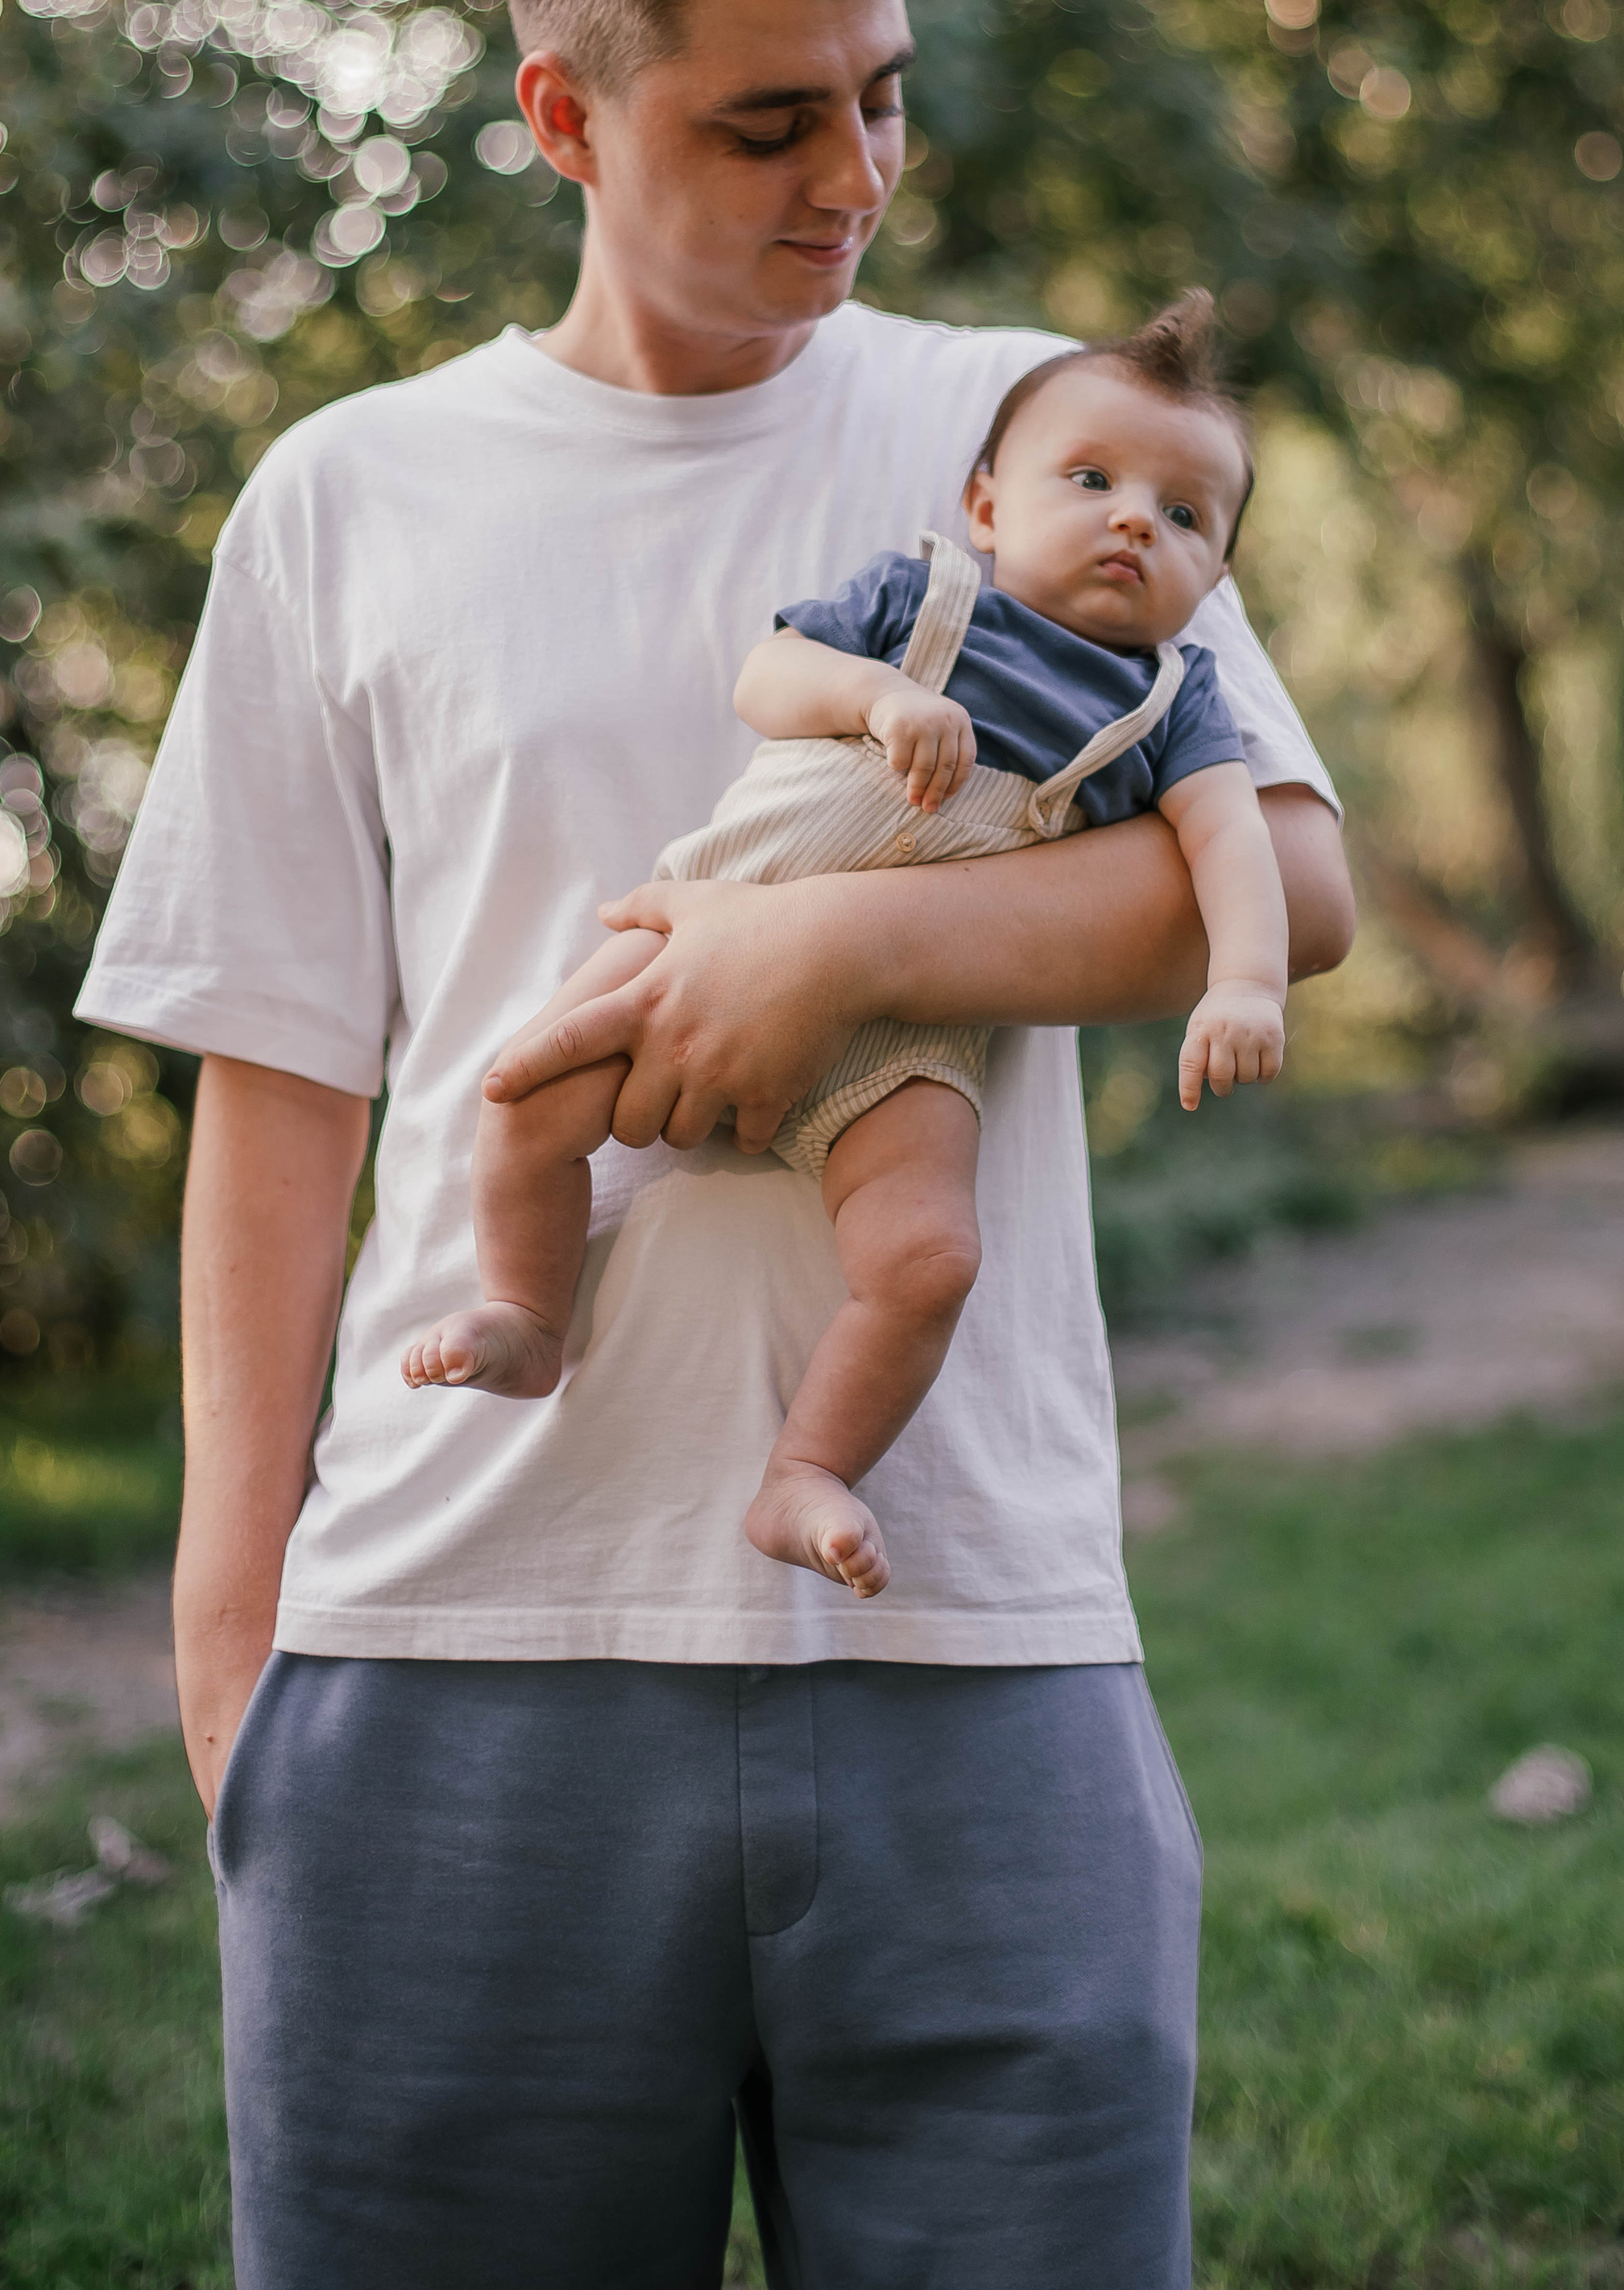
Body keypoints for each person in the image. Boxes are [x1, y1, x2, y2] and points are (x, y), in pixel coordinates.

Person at [77, 0, 1353, 2290]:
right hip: (448, 1649)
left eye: (881, 100)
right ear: (562, 111)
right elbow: (277, 1085)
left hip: (967, 1613)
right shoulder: (352, 496)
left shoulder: (1041, 436)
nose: (851, 179)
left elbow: (1288, 878)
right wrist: (238, 1644)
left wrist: (845, 953)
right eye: (769, 122)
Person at [404, 296, 1290, 1613]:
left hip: (915, 1034)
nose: (1131, 522)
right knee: (522, 1099)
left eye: (1183, 515)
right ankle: (529, 1317)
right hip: (716, 915)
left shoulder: (1172, 703)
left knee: (930, 1262)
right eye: (1093, 481)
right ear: (989, 505)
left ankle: (807, 1470)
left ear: (1213, 580)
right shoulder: (917, 593)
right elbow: (769, 676)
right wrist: (879, 695)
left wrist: (1245, 981)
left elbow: (1235, 846)